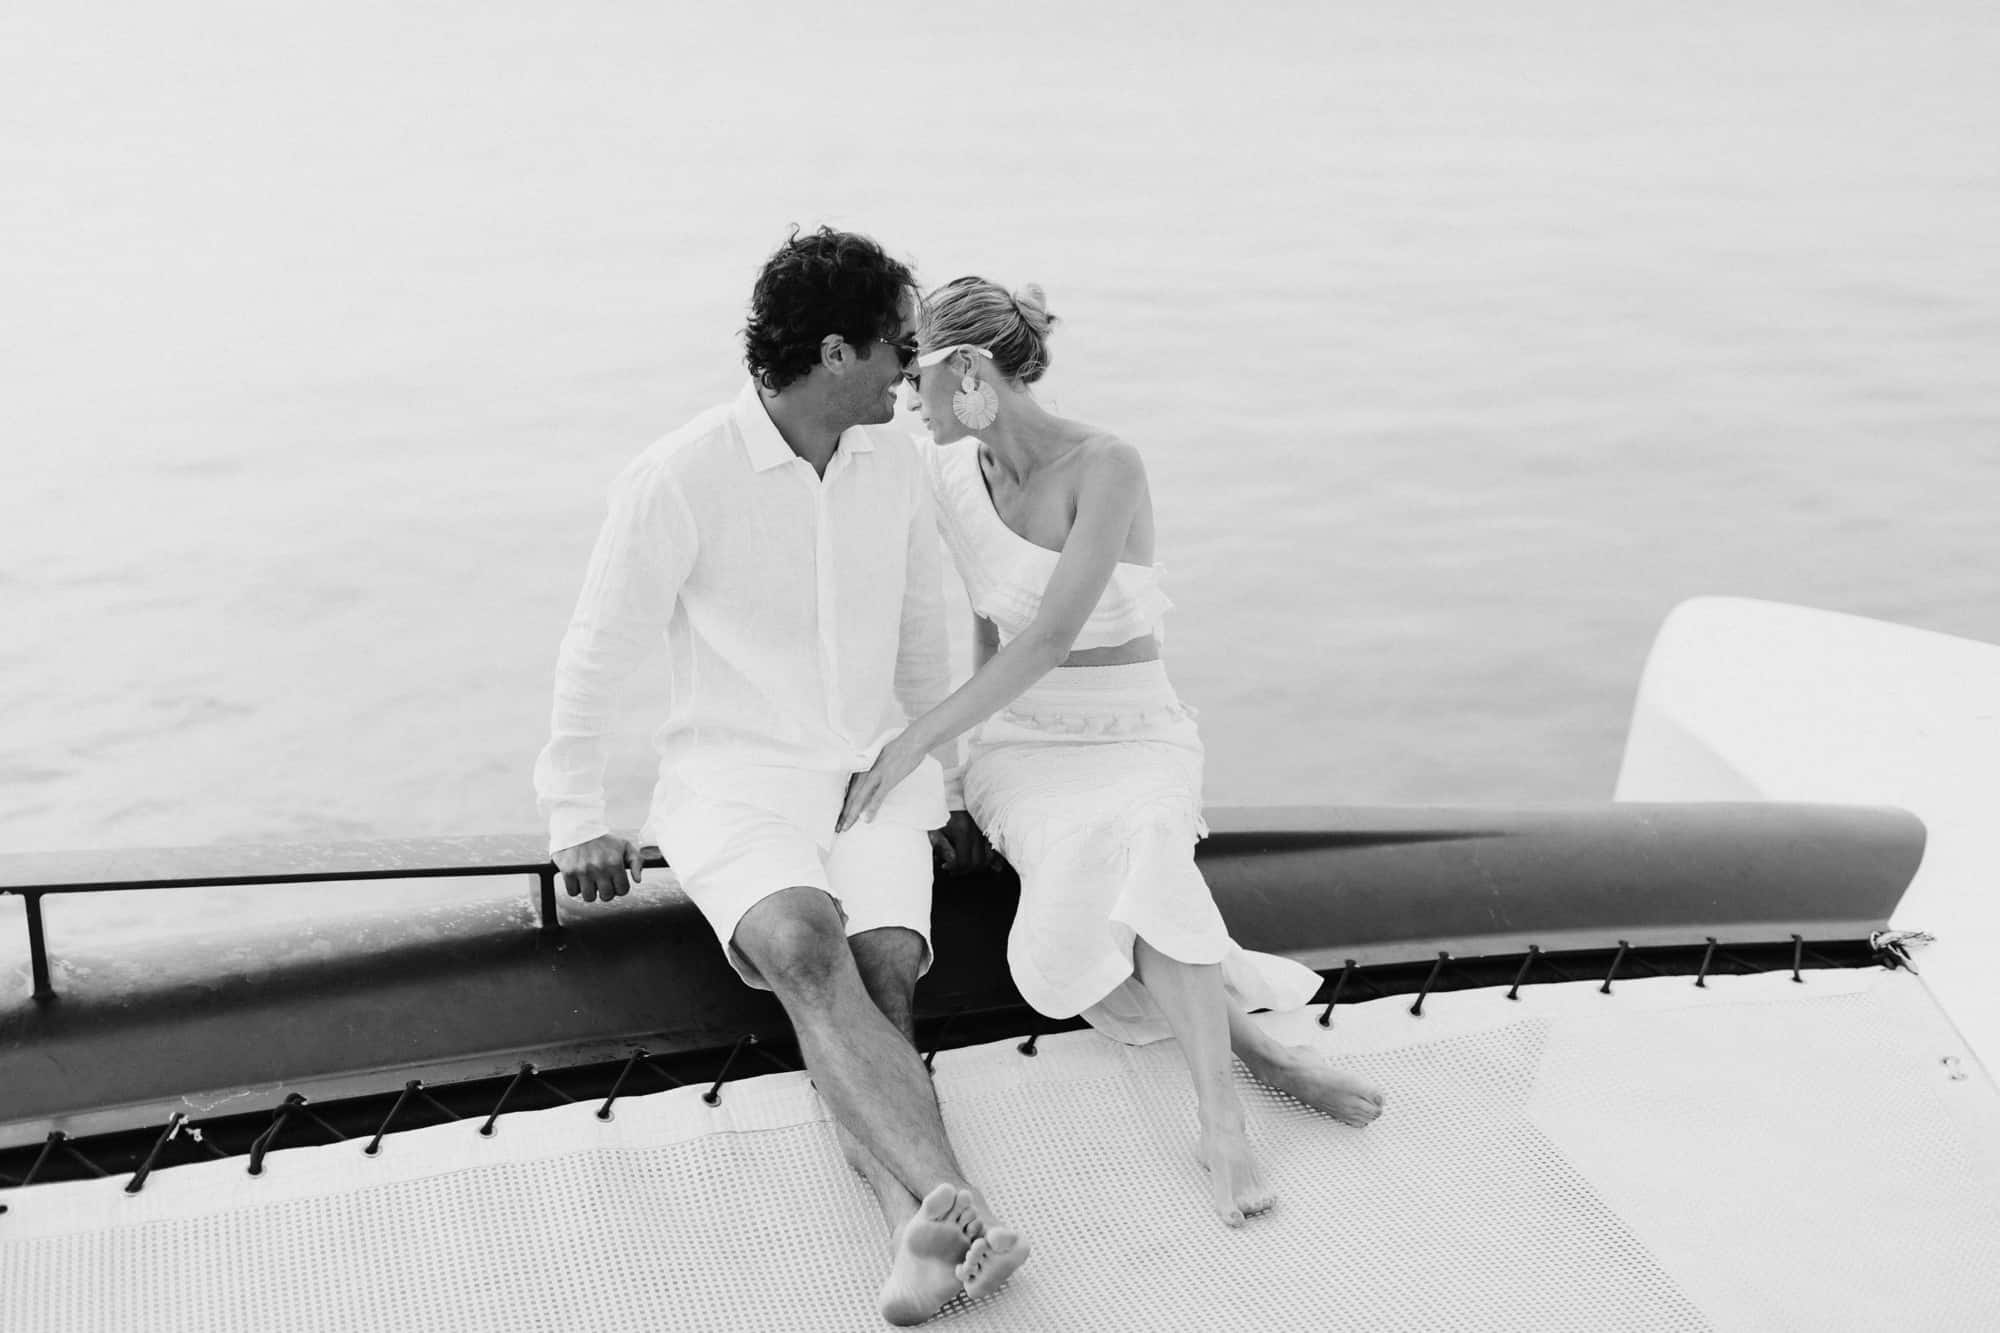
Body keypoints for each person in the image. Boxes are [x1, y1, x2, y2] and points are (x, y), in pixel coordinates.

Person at [532, 229, 1026, 1325]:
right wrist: (579, 816)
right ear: (838, 351)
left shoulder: (894, 462)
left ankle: (915, 1245)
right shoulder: (680, 473)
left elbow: (915, 632)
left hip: (871, 772)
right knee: (806, 950)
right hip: (733, 780)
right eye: (901, 342)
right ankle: (973, 1215)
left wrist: (935, 777)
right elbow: (597, 647)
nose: (916, 364)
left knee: (886, 973)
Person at [840, 276, 1387, 1228]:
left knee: (1142, 836)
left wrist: (913, 744)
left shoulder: (1109, 466)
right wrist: (964, 771)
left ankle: (1223, 1127)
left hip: (1132, 726)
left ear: (968, 372)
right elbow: (986, 625)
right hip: (1022, 741)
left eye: (916, 378)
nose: (903, 398)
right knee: (1091, 859)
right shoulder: (949, 472)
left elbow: (1049, 637)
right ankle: (1261, 1053)